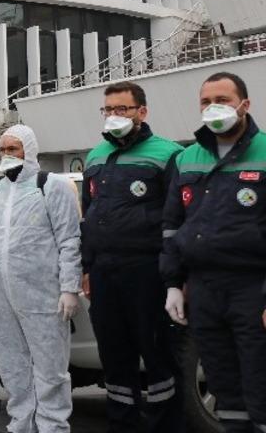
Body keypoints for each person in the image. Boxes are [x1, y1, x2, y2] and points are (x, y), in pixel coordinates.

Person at [161, 72, 266, 432]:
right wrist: (174, 282)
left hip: (252, 288)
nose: (213, 108)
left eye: (221, 100)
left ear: (244, 105)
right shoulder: (187, 158)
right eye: (206, 102)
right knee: (223, 386)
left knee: (260, 382)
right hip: (203, 289)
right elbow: (173, 225)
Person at [0, 124, 81, 433]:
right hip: (2, 296)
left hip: (42, 294)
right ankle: (22, 424)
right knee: (12, 365)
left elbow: (69, 240)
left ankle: (52, 426)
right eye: (2, 149)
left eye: (13, 149)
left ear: (29, 150)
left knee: (50, 368)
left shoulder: (51, 186)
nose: (6, 155)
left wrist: (69, 288)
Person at [82, 81, 184, 432]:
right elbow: (89, 214)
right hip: (104, 272)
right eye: (108, 110)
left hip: (147, 269)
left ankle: (165, 426)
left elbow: (178, 219)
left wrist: (174, 276)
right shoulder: (95, 156)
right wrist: (87, 266)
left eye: (121, 109)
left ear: (142, 112)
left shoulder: (169, 154)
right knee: (114, 356)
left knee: (156, 354)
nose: (113, 116)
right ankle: (121, 424)